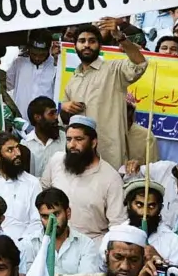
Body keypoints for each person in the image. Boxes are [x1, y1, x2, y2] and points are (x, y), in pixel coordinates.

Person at [60, 21, 148, 170]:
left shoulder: (114, 69)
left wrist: (120, 37)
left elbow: (140, 64)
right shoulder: (73, 80)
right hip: (80, 156)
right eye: (82, 41)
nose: (87, 45)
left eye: (92, 41)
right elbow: (64, 121)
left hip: (109, 155)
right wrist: (65, 109)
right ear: (75, 46)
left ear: (99, 45)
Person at [41, 116, 126, 242]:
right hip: (53, 238)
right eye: (69, 139)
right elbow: (43, 192)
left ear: (93, 142)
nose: (72, 145)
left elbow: (117, 225)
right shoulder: (57, 161)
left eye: (79, 139)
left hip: (92, 243)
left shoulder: (111, 178)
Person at [23, 187, 100, 275]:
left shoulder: (86, 244)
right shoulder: (30, 243)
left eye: (56, 214)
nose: (51, 222)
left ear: (68, 213)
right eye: (45, 216)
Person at [116, 180, 178, 266]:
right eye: (139, 205)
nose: (145, 212)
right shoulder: (115, 235)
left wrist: (159, 260)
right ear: (129, 205)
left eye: (151, 206)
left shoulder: (172, 240)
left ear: (160, 208)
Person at [6, 30, 58, 116]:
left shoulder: (55, 65)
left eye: (42, 55)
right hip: (21, 119)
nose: (37, 58)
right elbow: (8, 86)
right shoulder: (19, 63)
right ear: (28, 49)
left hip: (46, 121)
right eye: (34, 54)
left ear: (49, 50)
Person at [20, 96, 66, 178]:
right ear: (37, 117)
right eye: (51, 113)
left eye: (56, 113)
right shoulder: (25, 144)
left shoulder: (66, 139)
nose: (56, 117)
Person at [125, 93, 159, 164]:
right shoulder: (104, 133)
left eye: (128, 110)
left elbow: (151, 169)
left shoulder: (146, 136)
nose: (126, 114)